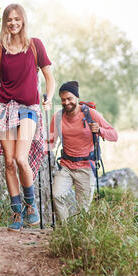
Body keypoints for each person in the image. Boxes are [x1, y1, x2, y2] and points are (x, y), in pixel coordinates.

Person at [0, 3, 56, 231]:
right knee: (8, 162)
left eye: (17, 19)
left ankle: (30, 205)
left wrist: (50, 96)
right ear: (5, 22)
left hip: (29, 109)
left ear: (23, 20)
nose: (13, 23)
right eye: (9, 19)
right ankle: (17, 213)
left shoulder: (35, 45)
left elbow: (49, 77)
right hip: (6, 108)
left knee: (20, 159)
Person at [49, 81, 118, 222]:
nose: (66, 102)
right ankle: (65, 230)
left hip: (86, 167)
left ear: (77, 98)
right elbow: (50, 142)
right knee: (56, 195)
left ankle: (80, 236)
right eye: (63, 100)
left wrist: (99, 130)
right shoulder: (57, 117)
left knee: (83, 210)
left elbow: (114, 135)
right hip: (66, 166)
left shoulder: (91, 114)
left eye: (69, 99)